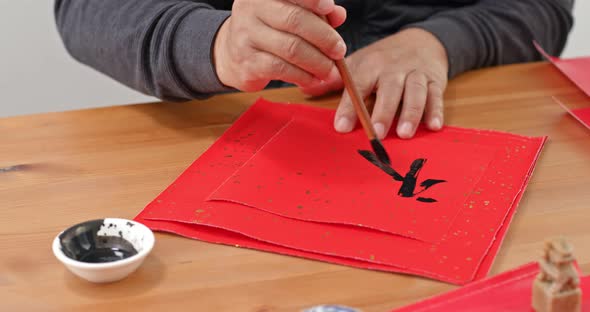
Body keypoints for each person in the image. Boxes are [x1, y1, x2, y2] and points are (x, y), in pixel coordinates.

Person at [54, 0, 574, 139]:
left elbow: (545, 9)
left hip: (465, 104)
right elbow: (84, 9)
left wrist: (441, 42)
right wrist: (218, 45)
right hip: (223, 129)